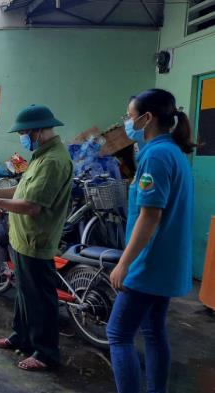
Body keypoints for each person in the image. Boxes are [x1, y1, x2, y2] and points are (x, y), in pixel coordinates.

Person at [107, 89, 195, 393]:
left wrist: (124, 264)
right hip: (166, 264)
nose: (127, 123)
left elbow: (150, 217)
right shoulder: (172, 152)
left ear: (147, 118)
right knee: (154, 332)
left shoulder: (156, 156)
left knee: (118, 334)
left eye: (131, 117)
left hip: (148, 264)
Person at [0, 105, 72, 371]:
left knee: (40, 297)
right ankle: (21, 336)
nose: (22, 137)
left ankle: (45, 353)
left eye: (24, 133)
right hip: (22, 237)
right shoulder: (41, 156)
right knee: (24, 294)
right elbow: (21, 189)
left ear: (38, 131)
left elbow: (32, 205)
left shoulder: (53, 161)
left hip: (36, 239)